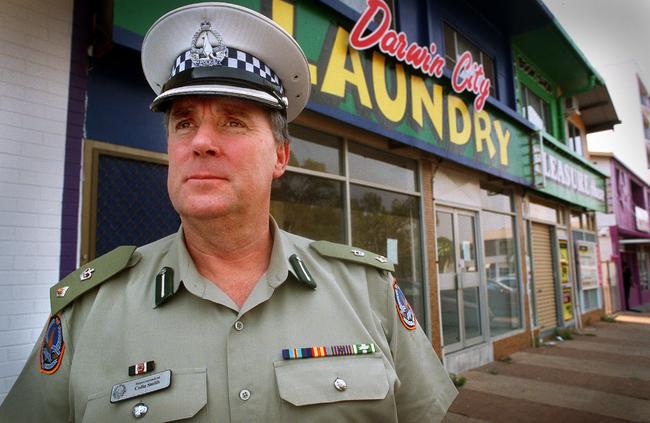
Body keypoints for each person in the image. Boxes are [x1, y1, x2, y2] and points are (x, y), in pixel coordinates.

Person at [0, 3, 457, 421]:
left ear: (280, 155)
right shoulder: (88, 312)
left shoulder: (367, 293)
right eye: (184, 123)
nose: (200, 142)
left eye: (233, 121)